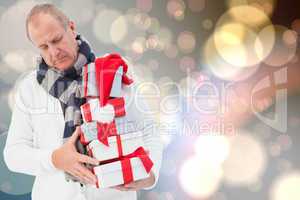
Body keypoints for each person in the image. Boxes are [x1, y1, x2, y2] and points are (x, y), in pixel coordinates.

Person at [3, 3, 163, 200]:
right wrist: (55, 159)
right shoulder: (30, 88)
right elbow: (14, 155)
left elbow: (149, 131)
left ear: (71, 28)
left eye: (57, 39)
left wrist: (150, 176)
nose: (54, 52)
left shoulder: (113, 71)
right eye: (44, 47)